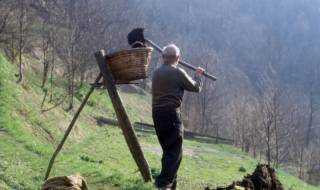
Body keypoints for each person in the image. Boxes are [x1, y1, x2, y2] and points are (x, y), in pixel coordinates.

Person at [152, 44, 204, 190]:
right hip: (171, 114)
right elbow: (195, 87)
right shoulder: (178, 72)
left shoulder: (156, 73)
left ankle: (170, 185)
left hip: (157, 114)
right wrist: (198, 76)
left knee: (168, 151)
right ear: (178, 58)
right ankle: (163, 185)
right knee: (175, 153)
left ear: (163, 57)